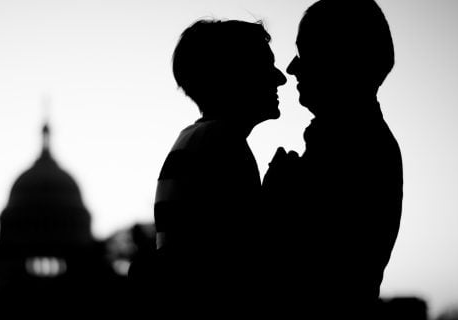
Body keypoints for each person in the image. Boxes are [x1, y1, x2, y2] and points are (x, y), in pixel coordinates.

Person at [128, 19, 287, 314]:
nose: (280, 78)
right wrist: (276, 196)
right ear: (234, 75)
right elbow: (242, 258)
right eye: (266, 65)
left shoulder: (195, 139)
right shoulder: (223, 144)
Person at [262, 0, 403, 318]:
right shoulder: (350, 141)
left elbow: (296, 268)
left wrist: (273, 198)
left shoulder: (354, 148)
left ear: (339, 59)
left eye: (304, 53)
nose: (291, 68)